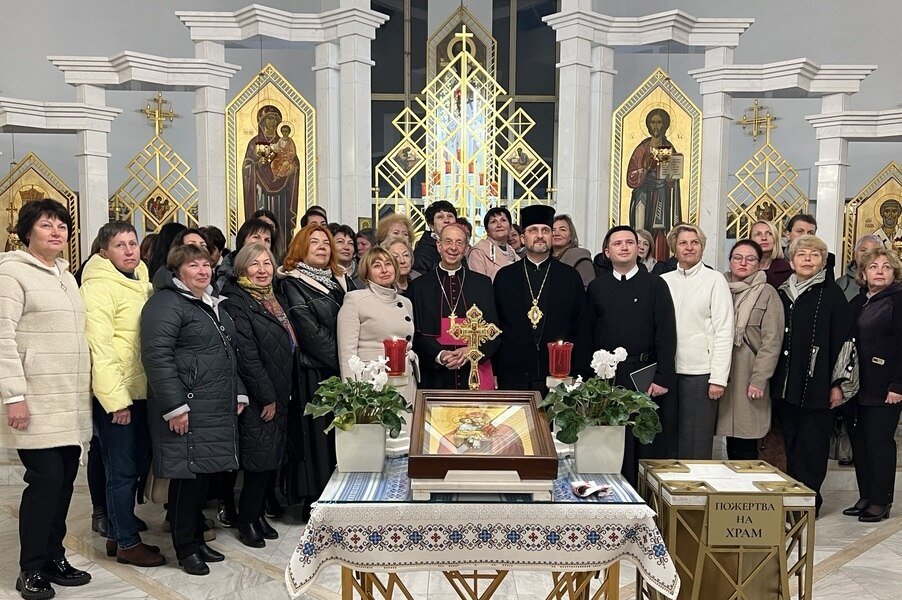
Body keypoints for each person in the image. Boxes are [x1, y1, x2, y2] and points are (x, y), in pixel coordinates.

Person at [0, 199, 93, 598]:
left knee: (65, 481)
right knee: (45, 482)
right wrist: (13, 396)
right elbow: (2, 338)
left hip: (68, 400)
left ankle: (55, 556)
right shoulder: (11, 275)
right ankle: (31, 568)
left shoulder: (66, 276)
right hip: (35, 399)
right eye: (45, 225)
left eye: (61, 226)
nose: (56, 232)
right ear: (27, 232)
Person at [141, 244, 246, 575]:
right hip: (188, 405)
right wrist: (175, 407)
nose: (203, 271)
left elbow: (229, 353)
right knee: (187, 480)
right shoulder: (165, 303)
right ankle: (185, 548)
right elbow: (157, 357)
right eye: (193, 266)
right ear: (177, 271)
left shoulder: (209, 302)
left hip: (213, 404)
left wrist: (239, 393)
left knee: (202, 479)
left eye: (206, 265)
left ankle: (197, 541)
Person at [81, 222, 163, 567]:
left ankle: (118, 535)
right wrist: (116, 402)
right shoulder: (98, 286)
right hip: (119, 397)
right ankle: (128, 542)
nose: (129, 250)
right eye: (120, 245)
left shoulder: (141, 281)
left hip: (141, 391)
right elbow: (100, 349)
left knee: (133, 468)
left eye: (132, 243)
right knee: (122, 471)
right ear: (103, 251)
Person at [586, 225, 677, 483]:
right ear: (607, 252)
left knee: (645, 444)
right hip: (607, 379)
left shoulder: (656, 285)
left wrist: (661, 377)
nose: (624, 247)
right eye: (617, 243)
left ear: (639, 248)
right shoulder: (596, 288)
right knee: (610, 442)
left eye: (629, 242)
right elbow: (589, 333)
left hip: (645, 376)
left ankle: (646, 509)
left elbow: (667, 334)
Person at [771, 234, 852, 515]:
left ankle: (809, 501)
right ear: (791, 260)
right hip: (785, 385)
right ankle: (791, 497)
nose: (808, 259)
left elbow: (845, 342)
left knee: (813, 445)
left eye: (815, 255)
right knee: (790, 442)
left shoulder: (831, 295)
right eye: (802, 254)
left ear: (822, 261)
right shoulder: (781, 293)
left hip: (818, 384)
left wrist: (838, 384)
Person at [220, 244, 295, 547]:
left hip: (278, 389)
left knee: (268, 460)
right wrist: (267, 397)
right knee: (257, 462)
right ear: (242, 270)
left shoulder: (271, 297)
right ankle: (247, 520)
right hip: (257, 396)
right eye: (255, 265)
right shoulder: (237, 301)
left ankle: (257, 514)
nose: (262, 270)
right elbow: (247, 356)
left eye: (267, 263)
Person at [277, 224, 353, 517]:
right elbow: (311, 334)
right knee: (318, 442)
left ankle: (339, 497)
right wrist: (346, 359)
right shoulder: (292, 283)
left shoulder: (339, 281)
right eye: (314, 242)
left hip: (340, 370)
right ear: (300, 248)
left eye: (326, 242)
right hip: (315, 373)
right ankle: (319, 503)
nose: (322, 246)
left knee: (339, 440)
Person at [493, 205, 586, 394]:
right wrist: (495, 369)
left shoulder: (569, 277)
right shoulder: (505, 277)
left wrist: (580, 371)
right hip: (513, 374)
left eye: (545, 230)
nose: (540, 235)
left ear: (551, 236)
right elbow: (496, 325)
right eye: (533, 230)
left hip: (559, 376)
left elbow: (582, 326)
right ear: (522, 237)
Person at [661, 224, 734, 460]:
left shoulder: (715, 280)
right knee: (666, 439)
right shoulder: (663, 281)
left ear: (702, 247)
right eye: (683, 243)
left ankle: (693, 494)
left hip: (701, 374)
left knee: (696, 444)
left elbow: (724, 331)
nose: (689, 247)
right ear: (674, 247)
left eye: (695, 242)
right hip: (668, 373)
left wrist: (718, 379)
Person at [845, 248, 902, 522]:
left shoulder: (898, 301)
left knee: (879, 443)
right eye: (873, 266)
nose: (879, 271)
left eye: (886, 267)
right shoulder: (858, 302)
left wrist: (898, 384)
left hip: (886, 386)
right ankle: (866, 495)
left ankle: (881, 500)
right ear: (863, 273)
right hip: (858, 385)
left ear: (894, 273)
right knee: (860, 443)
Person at [410, 222, 500, 390]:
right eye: (448, 241)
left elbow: (494, 332)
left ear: (466, 248)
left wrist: (471, 351)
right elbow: (416, 333)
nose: (453, 248)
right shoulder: (420, 286)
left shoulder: (482, 284)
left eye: (459, 243)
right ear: (439, 245)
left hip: (474, 373)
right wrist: (440, 354)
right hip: (434, 376)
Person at [716, 239, 785, 461]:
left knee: (746, 438)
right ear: (729, 261)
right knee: (726, 436)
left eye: (750, 259)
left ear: (759, 263)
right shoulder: (718, 288)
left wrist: (759, 379)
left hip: (748, 373)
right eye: (738, 257)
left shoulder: (768, 293)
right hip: (721, 374)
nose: (743, 263)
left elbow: (772, 341)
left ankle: (744, 492)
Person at [337, 247, 419, 426]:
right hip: (373, 382)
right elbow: (347, 353)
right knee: (377, 437)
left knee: (405, 436)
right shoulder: (355, 300)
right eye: (377, 265)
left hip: (404, 378)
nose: (384, 269)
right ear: (367, 273)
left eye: (388, 264)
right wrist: (354, 394)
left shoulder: (406, 303)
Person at [627, 108, 682, 261]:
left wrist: (672, 176)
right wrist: (644, 168)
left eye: (659, 122)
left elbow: (671, 180)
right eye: (653, 122)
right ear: (648, 125)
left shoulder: (667, 148)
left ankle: (659, 262)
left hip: (660, 195)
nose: (656, 126)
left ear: (665, 125)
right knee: (640, 229)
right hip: (643, 195)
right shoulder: (642, 148)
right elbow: (631, 177)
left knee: (660, 231)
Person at [242, 105, 300, 230]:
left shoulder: (284, 142)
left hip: (282, 193)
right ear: (262, 121)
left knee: (280, 226)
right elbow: (246, 167)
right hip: (260, 192)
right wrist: (257, 165)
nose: (272, 122)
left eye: (275, 119)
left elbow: (294, 160)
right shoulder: (254, 142)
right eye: (269, 118)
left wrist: (291, 166)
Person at [213, 218, 275, 294]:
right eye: (256, 237)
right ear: (242, 241)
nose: (262, 243)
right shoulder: (227, 280)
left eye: (267, 240)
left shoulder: (274, 280)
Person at [468, 206, 519, 281]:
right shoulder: (478, 252)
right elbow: (478, 285)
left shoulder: (512, 252)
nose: (499, 225)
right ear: (487, 230)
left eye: (503, 220)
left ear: (510, 227)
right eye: (493, 222)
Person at [782, 214, 836, 280]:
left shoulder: (825, 259)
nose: (805, 236)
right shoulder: (776, 258)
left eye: (810, 233)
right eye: (800, 231)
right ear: (788, 234)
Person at [413, 200, 457, 273]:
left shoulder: (459, 247)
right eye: (440, 217)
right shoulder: (422, 253)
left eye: (450, 216)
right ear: (431, 225)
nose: (446, 220)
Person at [551, 214, 595, 288]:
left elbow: (588, 288)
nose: (557, 234)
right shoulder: (543, 257)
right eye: (553, 230)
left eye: (563, 230)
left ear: (571, 236)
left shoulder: (579, 257)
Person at [836, 235, 881, 302]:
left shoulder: (887, 282)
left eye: (873, 252)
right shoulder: (841, 283)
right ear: (855, 253)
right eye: (863, 250)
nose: (867, 255)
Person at [751, 219, 792, 288]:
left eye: (769, 234)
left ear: (775, 238)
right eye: (758, 234)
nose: (764, 238)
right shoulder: (743, 267)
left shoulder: (788, 270)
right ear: (750, 240)